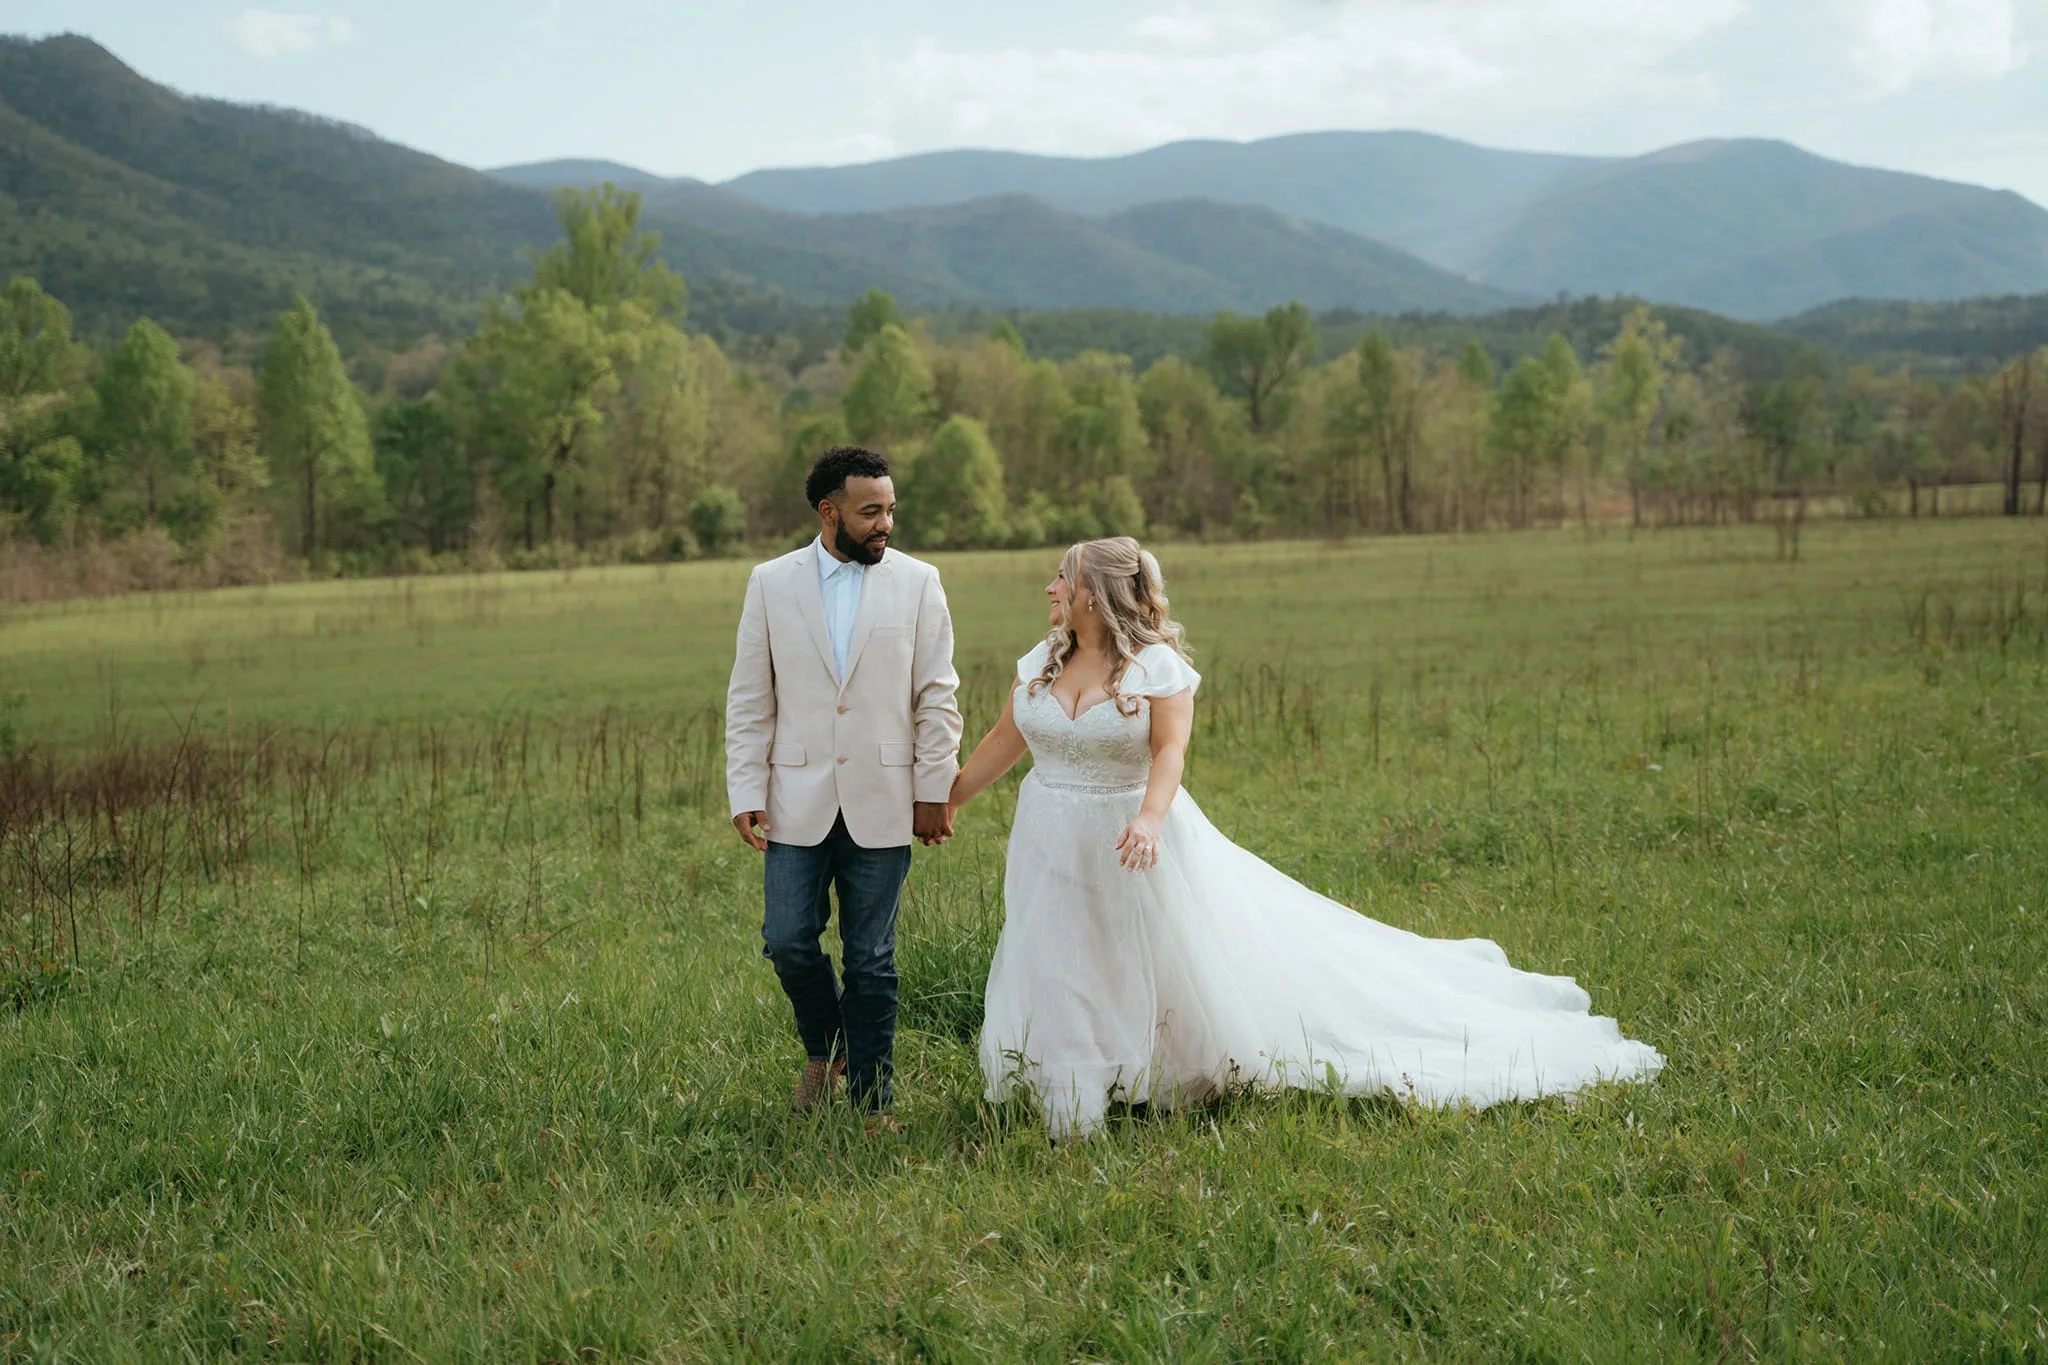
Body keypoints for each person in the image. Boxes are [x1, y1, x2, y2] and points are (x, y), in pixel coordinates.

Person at [947, 536, 1663, 1140]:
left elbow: (1169, 753)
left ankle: (1164, 1074)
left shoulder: (1157, 670)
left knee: (1157, 955)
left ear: (1095, 594)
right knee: (1060, 952)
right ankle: (1073, 1092)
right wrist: (945, 799)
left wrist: (1150, 817)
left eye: (1062, 579)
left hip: (1130, 834)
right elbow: (1003, 740)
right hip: (1048, 838)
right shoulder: (1040, 661)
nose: (1049, 587)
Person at [725, 446, 963, 1123]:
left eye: (890, 508)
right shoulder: (770, 582)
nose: (885, 522)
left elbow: (937, 694)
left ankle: (872, 1103)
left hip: (886, 798)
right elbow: (750, 696)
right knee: (788, 938)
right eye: (870, 511)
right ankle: (828, 1045)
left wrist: (932, 787)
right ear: (829, 512)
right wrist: (745, 789)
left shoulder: (920, 582)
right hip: (794, 795)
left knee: (873, 958)